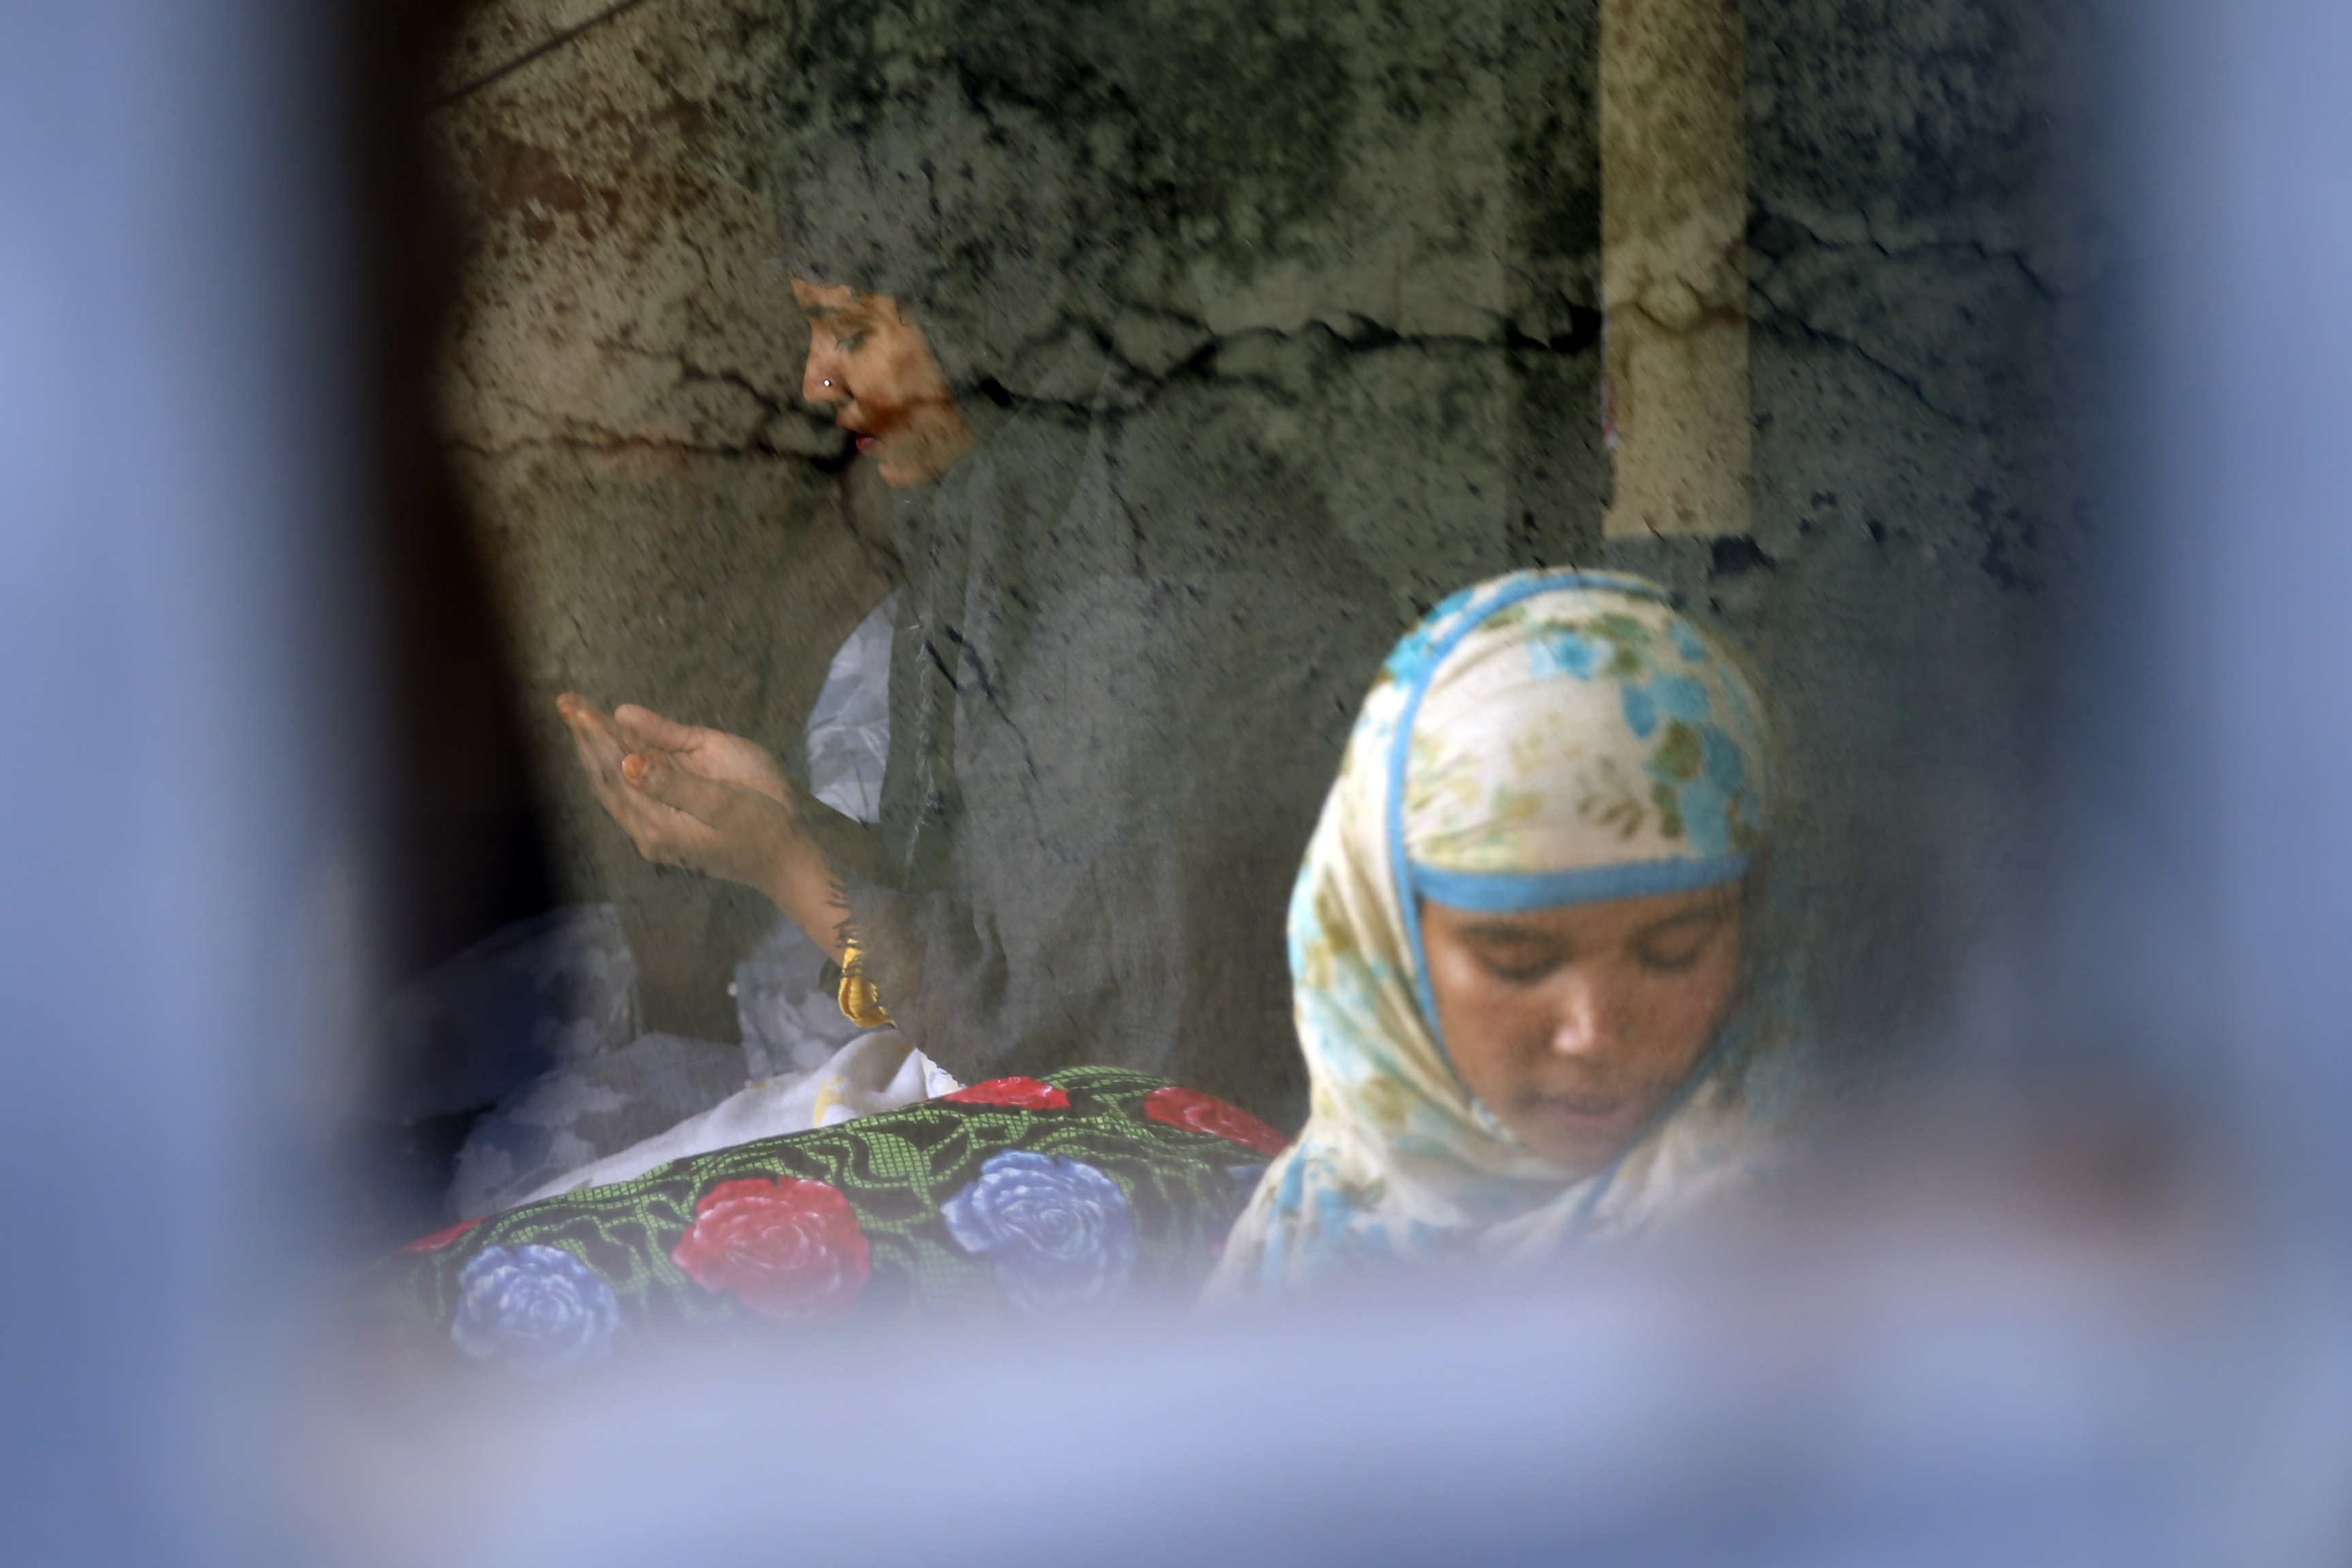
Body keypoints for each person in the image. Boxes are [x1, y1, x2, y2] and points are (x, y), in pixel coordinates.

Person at [559, 78, 1394, 1129]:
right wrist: (779, 817)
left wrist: (777, 859)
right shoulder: (1004, 535)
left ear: (994, 328)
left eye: (848, 331)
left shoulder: (1144, 604)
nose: (814, 380)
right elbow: (987, 928)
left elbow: (1084, 1059)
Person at [1208, 569, 1810, 1293]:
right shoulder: (1311, 1214)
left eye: (1673, 953)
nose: (1592, 1031)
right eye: (1516, 962)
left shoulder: (1815, 1245)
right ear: (1386, 943)